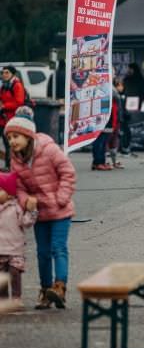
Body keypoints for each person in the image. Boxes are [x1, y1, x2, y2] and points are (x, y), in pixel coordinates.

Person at [6, 106, 76, 310]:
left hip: (60, 211)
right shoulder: (16, 159)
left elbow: (68, 173)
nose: (12, 142)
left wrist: (61, 198)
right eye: (9, 138)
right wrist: (25, 200)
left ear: (28, 135)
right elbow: (18, 186)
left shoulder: (49, 149)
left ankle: (60, 286)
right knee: (42, 253)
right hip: (40, 212)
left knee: (58, 248)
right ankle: (46, 291)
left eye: (16, 136)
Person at [0, 172, 37, 310]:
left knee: (15, 273)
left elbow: (26, 223)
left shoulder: (16, 207)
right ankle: (3, 301)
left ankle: (16, 298)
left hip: (15, 249)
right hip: (0, 249)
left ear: (9, 193)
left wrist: (31, 211)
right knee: (2, 277)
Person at [0, 66, 26, 169]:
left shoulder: (17, 85)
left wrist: (4, 106)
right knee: (6, 143)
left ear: (13, 74)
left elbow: (19, 102)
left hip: (12, 119)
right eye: (3, 73)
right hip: (3, 119)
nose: (4, 75)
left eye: (7, 73)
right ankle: (8, 165)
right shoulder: (4, 86)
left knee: (10, 144)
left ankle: (11, 165)